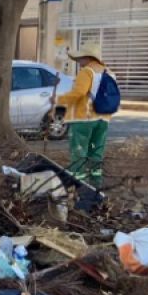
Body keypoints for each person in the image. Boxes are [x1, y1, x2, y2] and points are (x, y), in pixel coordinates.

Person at [56, 42, 113, 187]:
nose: (79, 62)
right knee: (96, 152)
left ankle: (78, 186)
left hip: (84, 119)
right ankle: (96, 185)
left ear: (88, 58)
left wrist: (59, 100)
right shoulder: (108, 73)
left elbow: (79, 93)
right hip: (103, 119)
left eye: (80, 58)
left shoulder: (87, 72)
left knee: (79, 153)